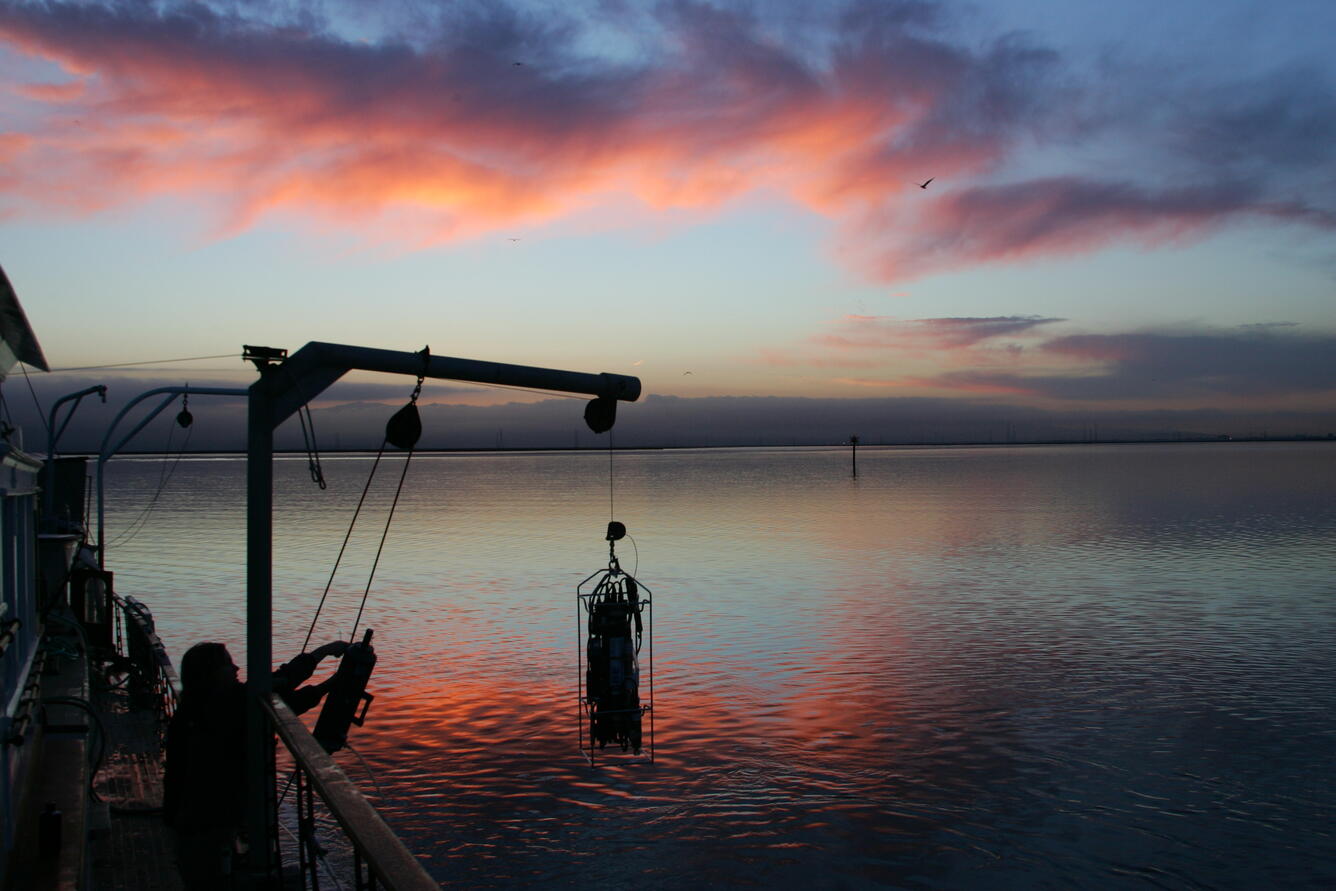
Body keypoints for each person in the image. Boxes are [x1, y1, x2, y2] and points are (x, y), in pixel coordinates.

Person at [163, 640, 348, 888]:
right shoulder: (227, 707)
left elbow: (283, 681)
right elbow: (287, 694)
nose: (237, 668)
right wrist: (332, 681)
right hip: (204, 824)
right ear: (211, 674)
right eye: (229, 665)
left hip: (190, 820)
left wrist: (326, 652)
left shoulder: (195, 709)